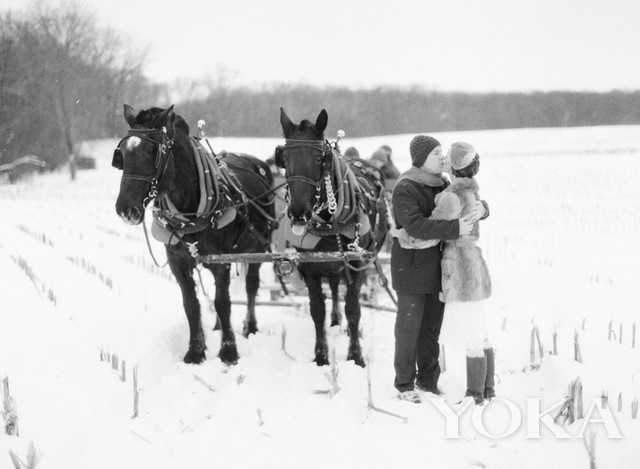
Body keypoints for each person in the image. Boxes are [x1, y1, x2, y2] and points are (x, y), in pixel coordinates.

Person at [390, 135, 487, 403]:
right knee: (409, 328)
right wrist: (455, 228)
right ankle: (404, 384)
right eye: (435, 154)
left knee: (431, 329)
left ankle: (428, 382)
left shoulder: (443, 184)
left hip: (439, 269)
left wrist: (483, 209)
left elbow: (467, 197)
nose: (442, 158)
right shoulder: (406, 187)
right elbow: (415, 226)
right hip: (410, 269)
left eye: (442, 152)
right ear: (421, 160)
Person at [429, 142, 493, 404]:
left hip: (459, 266)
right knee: (480, 329)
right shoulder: (473, 194)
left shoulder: (450, 197)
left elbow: (432, 225)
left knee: (471, 333)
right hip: (474, 261)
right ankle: (487, 389)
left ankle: (474, 393)